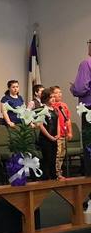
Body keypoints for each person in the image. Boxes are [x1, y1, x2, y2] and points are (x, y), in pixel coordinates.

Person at [70, 39, 91, 176]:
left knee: (89, 144)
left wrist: (73, 88)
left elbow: (80, 88)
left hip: (89, 110)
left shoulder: (86, 63)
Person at [51, 86, 73, 180]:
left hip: (64, 133)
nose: (59, 94)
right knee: (57, 154)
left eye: (60, 92)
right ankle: (56, 173)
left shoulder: (63, 105)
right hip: (56, 134)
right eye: (56, 93)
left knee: (62, 154)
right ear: (52, 95)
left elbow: (67, 120)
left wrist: (70, 132)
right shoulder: (52, 106)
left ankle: (59, 171)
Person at [38, 88, 59, 180]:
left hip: (54, 138)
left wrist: (58, 134)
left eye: (54, 97)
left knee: (53, 159)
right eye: (51, 97)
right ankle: (46, 178)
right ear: (46, 98)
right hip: (45, 138)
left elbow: (57, 123)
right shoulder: (43, 109)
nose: (53, 99)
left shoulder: (55, 109)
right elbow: (40, 125)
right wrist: (50, 136)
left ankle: (54, 176)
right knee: (47, 159)